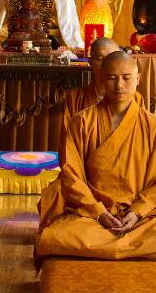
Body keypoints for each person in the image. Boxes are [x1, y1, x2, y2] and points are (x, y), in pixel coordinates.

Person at [35, 50, 156, 261]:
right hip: (91, 217)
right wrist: (99, 212)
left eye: (126, 78)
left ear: (137, 79)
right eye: (112, 78)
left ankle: (113, 244)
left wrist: (136, 212)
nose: (119, 85)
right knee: (57, 237)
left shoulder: (154, 126)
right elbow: (71, 175)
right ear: (100, 80)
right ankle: (127, 246)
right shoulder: (82, 122)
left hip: (138, 219)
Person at [37, 37, 144, 231]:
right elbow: (69, 159)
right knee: (55, 197)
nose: (106, 64)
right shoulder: (77, 102)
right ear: (91, 62)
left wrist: (136, 209)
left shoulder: (138, 103)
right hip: (85, 186)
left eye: (111, 57)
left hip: (128, 188)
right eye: (99, 59)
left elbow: (143, 158)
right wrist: (95, 207)